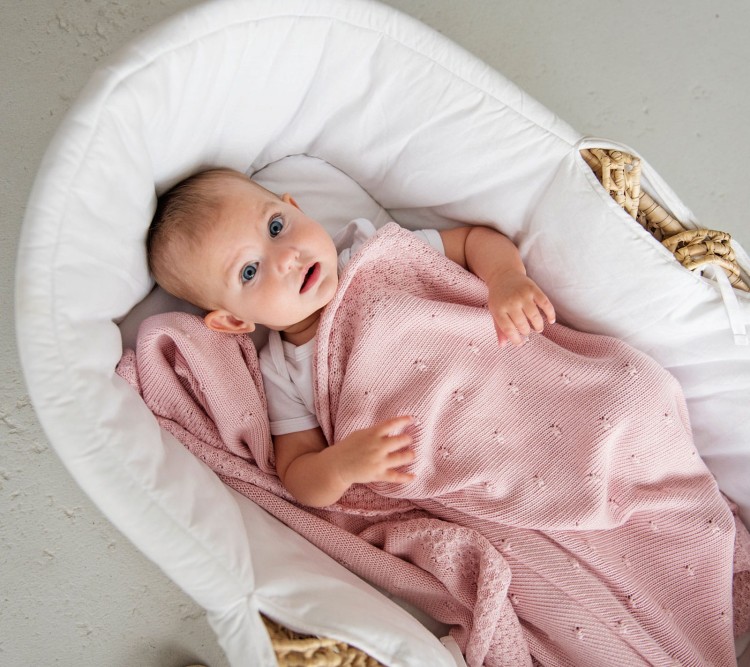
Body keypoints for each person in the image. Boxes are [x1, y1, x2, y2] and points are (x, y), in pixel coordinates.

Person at [147, 167, 556, 507]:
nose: (287, 257)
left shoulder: (375, 252)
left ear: (295, 208)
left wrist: (505, 278)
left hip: (515, 377)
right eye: (250, 271)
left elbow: (470, 241)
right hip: (470, 457)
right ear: (234, 321)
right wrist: (340, 466)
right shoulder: (281, 371)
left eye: (275, 227)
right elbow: (298, 474)